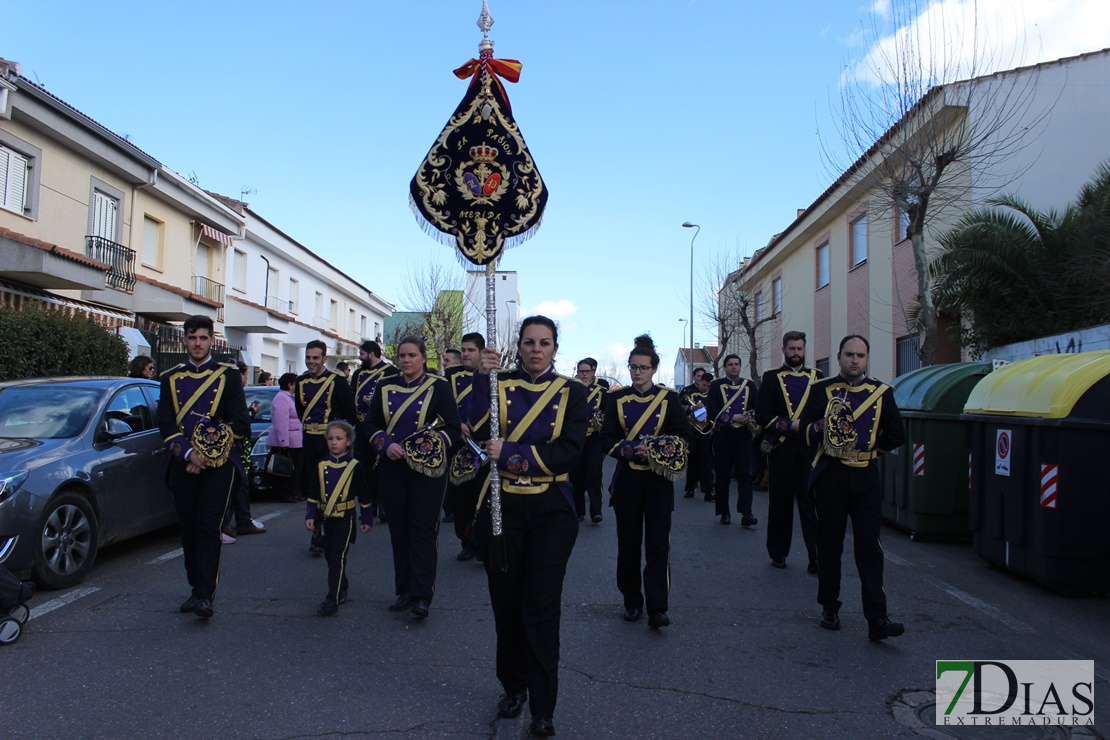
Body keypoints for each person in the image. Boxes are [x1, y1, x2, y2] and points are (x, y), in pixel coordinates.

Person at [468, 315, 587, 738]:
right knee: (505, 604)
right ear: (518, 346)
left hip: (550, 510)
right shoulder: (497, 385)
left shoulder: (573, 392)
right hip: (502, 507)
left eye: (545, 342)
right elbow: (475, 428)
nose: (536, 349)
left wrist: (511, 454)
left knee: (540, 607)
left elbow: (568, 453)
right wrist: (482, 378)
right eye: (529, 342)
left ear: (556, 349)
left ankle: (543, 705)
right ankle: (512, 686)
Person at [799, 335, 906, 641]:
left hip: (865, 477)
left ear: (867, 358)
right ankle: (829, 607)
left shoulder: (882, 393)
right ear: (839, 356)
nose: (855, 360)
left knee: (870, 547)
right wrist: (823, 429)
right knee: (830, 543)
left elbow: (896, 434)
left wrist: (870, 451)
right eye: (849, 355)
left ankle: (877, 617)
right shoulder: (821, 390)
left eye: (860, 355)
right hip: (832, 474)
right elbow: (805, 431)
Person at [155, 314, 250, 619]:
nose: (197, 343)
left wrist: (205, 454)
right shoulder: (170, 378)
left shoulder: (228, 376)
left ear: (212, 340)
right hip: (183, 463)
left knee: (208, 527)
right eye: (192, 337)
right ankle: (195, 588)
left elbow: (240, 424)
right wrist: (187, 454)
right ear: (185, 339)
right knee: (188, 528)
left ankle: (205, 596)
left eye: (203, 338)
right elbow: (166, 423)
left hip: (218, 465)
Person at [601, 335, 692, 630]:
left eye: (643, 367)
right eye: (633, 367)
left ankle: (657, 607)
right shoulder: (615, 399)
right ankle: (631, 600)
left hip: (658, 481)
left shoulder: (669, 400)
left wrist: (655, 448)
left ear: (654, 369)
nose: (637, 372)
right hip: (628, 479)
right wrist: (628, 450)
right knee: (628, 544)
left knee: (657, 545)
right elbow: (605, 439)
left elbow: (685, 437)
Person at [366, 335, 460, 619]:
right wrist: (384, 443)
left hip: (427, 471)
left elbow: (453, 429)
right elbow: (370, 424)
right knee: (399, 531)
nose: (406, 360)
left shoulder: (439, 387)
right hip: (393, 468)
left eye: (412, 355)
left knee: (422, 531)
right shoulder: (384, 387)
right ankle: (403, 591)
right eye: (402, 355)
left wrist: (430, 443)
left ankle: (422, 596)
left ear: (423, 358)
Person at [755, 331, 822, 572]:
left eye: (800, 349)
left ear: (805, 350)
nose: (796, 353)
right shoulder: (771, 378)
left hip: (808, 449)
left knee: (809, 503)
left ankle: (816, 557)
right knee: (780, 503)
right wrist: (788, 425)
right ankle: (778, 552)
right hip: (781, 448)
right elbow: (762, 414)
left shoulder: (818, 377)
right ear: (783, 350)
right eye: (792, 349)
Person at [296, 340, 358, 554]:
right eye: (308, 357)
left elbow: (350, 413)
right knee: (313, 485)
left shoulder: (337, 382)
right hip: (309, 440)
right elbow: (299, 411)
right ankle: (316, 530)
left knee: (331, 485)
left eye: (315, 358)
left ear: (324, 359)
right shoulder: (301, 382)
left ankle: (333, 530)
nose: (311, 362)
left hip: (331, 442)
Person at [305, 420, 372, 616]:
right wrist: (311, 515)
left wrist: (366, 519)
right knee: (329, 556)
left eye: (339, 439)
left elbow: (365, 495)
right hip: (326, 518)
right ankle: (342, 586)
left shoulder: (354, 466)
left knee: (337, 557)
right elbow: (313, 493)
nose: (334, 443)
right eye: (330, 439)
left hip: (345, 518)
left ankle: (331, 599)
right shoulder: (321, 465)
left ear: (349, 442)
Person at [705, 354, 759, 526]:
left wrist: (750, 418)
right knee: (722, 475)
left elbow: (757, 407)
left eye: (736, 364)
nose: (734, 367)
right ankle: (724, 512)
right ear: (725, 367)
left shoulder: (749, 385)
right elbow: (711, 411)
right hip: (724, 434)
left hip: (743, 435)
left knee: (745, 475)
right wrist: (732, 417)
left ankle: (746, 513)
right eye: (730, 364)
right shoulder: (716, 386)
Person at [446, 332, 486, 561]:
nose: (466, 354)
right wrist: (456, 424)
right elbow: (444, 406)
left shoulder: (494, 376)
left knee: (483, 497)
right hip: (460, 445)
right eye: (464, 350)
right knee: (461, 499)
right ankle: (466, 541)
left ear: (481, 352)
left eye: (471, 350)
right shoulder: (451, 375)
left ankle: (483, 542)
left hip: (485, 445)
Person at [351, 340, 400, 521]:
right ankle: (367, 506)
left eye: (362, 354)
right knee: (364, 468)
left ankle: (385, 506)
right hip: (363, 428)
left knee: (383, 468)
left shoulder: (391, 372)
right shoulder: (358, 374)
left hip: (383, 428)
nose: (359, 357)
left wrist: (377, 402)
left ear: (371, 354)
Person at [221, 361, 267, 541]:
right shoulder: (225, 391)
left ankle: (243, 520)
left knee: (241, 482)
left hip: (239, 443)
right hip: (229, 444)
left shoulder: (235, 392)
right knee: (233, 483)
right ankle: (227, 524)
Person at [571, 357, 607, 523]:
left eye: (587, 371)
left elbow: (608, 414)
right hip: (576, 438)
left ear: (593, 372)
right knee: (576, 476)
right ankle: (579, 511)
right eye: (581, 371)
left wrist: (600, 419)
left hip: (594, 438)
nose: (584, 374)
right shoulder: (571, 389)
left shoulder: (601, 391)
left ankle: (596, 511)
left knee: (594, 474)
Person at [268, 372, 304, 503]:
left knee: (296, 470)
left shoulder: (290, 397)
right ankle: (287, 493)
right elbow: (281, 422)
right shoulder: (281, 398)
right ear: (290, 385)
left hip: (296, 441)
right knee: (286, 470)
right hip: (288, 442)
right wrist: (284, 442)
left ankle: (295, 492)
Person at [679, 368, 714, 500]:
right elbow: (679, 407)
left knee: (705, 461)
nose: (705, 388)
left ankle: (708, 491)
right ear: (699, 381)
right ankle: (690, 488)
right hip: (692, 430)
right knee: (692, 460)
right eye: (704, 384)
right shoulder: (690, 392)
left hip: (706, 432)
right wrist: (691, 408)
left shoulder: (713, 394)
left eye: (708, 386)